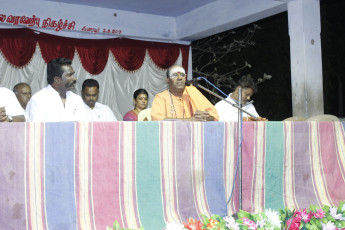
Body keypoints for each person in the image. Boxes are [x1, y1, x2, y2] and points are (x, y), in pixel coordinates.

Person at [26, 58, 87, 122]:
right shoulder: (39, 100)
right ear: (57, 80)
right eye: (69, 75)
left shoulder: (77, 99)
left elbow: (84, 127)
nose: (74, 78)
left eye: (73, 74)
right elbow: (36, 129)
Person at [151, 64, 218, 121]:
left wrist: (205, 118)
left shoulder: (193, 92)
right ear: (168, 80)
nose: (179, 78)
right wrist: (189, 120)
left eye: (182, 75)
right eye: (175, 75)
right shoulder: (161, 97)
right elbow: (157, 119)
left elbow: (213, 115)